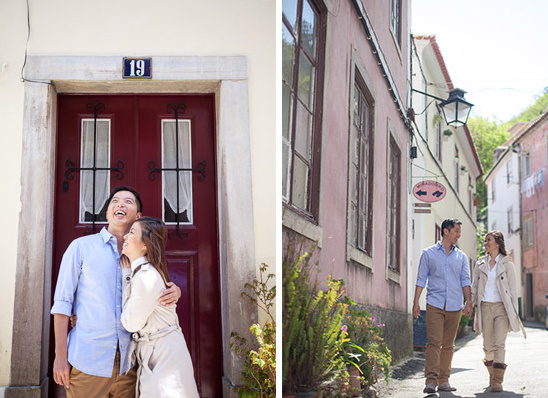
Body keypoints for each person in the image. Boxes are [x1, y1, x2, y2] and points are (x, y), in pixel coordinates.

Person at [51, 186, 182, 397]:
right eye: (115, 201)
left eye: (128, 201)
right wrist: (60, 355)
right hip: (88, 363)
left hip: (130, 365)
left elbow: (156, 287)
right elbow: (62, 303)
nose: (120, 204)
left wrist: (175, 291)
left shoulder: (144, 255)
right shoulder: (81, 247)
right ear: (107, 212)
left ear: (138, 217)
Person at [121, 217, 199, 397]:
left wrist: (126, 276)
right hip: (156, 352)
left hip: (164, 355)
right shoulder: (142, 272)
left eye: (132, 232)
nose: (125, 236)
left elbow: (129, 324)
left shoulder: (145, 277)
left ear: (145, 245)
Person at [413, 218, 473, 394]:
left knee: (448, 344)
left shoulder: (461, 257)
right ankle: (431, 381)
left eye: (459, 232)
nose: (458, 235)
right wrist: (416, 301)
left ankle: (444, 380)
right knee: (433, 342)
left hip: (455, 305)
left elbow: (465, 281)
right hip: (435, 303)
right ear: (445, 231)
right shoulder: (428, 253)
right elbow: (421, 278)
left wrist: (468, 301)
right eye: (456, 231)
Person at [471, 231, 526, 392]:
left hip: (502, 308)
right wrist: (471, 304)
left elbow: (513, 291)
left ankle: (497, 381)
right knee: (488, 347)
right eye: (486, 240)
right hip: (485, 307)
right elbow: (474, 286)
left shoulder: (507, 263)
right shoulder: (480, 263)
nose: (485, 243)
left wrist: (513, 313)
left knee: (499, 344)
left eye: (488, 240)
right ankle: (492, 373)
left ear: (497, 243)